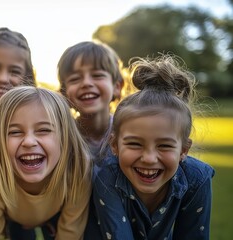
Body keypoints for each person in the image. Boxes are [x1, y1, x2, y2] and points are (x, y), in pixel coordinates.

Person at [91, 55, 215, 239]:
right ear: (114, 145)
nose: (149, 158)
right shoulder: (107, 178)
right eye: (134, 144)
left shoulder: (197, 179)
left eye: (164, 146)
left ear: (183, 150)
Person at [0, 86, 92, 239]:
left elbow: (71, 232)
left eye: (44, 130)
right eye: (14, 132)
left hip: (56, 219)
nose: (29, 142)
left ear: (65, 139)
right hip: (10, 222)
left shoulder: (77, 170)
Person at [57, 40, 127, 160]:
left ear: (117, 87)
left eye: (97, 75)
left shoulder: (129, 132)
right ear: (64, 92)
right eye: (75, 79)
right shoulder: (61, 137)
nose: (86, 83)